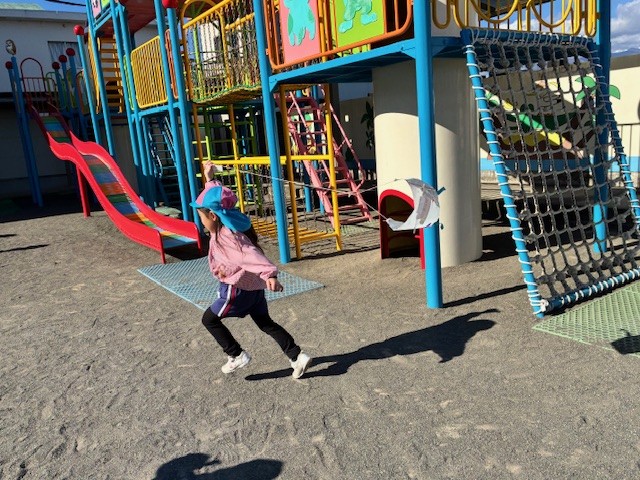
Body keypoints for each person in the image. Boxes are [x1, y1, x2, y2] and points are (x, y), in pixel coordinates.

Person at [192, 163, 312, 379]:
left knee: (209, 320)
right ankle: (297, 356)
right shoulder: (230, 222)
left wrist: (270, 274)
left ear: (213, 216)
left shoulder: (227, 237)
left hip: (237, 289)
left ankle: (236, 355)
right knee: (265, 323)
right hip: (254, 288)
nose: (201, 222)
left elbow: (251, 255)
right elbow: (219, 199)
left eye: (202, 217)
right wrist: (209, 179)